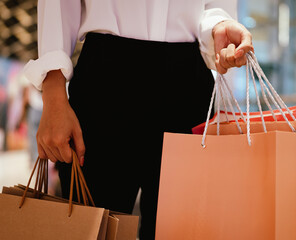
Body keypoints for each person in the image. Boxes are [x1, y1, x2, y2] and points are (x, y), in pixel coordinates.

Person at [23, 0, 253, 239]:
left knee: (180, 232)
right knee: (91, 230)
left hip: (187, 86)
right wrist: (53, 93)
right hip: (107, 84)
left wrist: (220, 24)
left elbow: (213, 6)